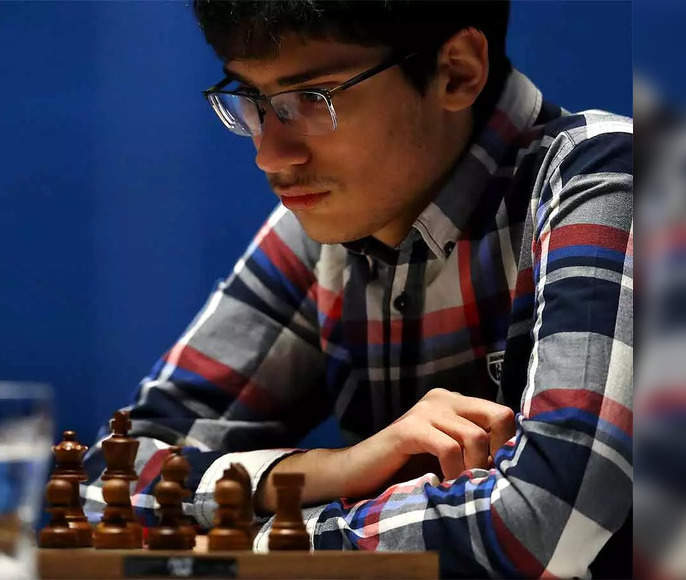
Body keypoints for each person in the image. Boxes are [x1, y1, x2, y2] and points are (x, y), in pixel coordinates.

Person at [81, 2, 633, 577]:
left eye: (311, 100)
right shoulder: (328, 224)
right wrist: (329, 470)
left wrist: (242, 545)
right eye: (252, 100)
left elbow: (540, 529)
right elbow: (106, 480)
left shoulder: (607, 180)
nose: (270, 155)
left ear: (457, 71)